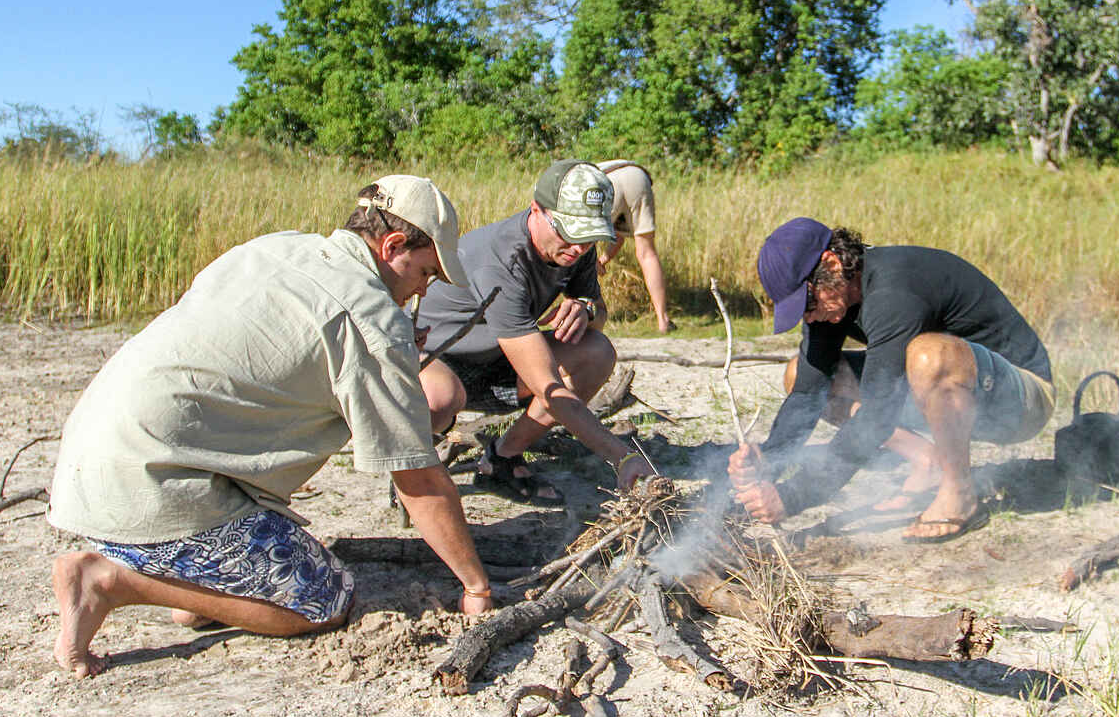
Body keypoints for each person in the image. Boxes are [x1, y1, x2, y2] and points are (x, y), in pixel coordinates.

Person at [47, 176, 494, 678]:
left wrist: (390, 349)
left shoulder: (276, 247)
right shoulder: (370, 318)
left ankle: (194, 587)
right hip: (150, 490)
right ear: (391, 246)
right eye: (426, 272)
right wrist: (476, 586)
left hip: (93, 463)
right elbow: (418, 478)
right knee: (323, 599)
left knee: (240, 576)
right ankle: (109, 581)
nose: (424, 289)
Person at [728, 218, 1054, 543]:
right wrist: (770, 460)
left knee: (929, 355)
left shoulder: (893, 292)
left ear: (832, 263)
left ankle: (959, 492)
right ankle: (928, 460)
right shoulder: (837, 295)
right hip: (949, 399)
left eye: (808, 304)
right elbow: (807, 392)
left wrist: (794, 496)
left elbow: (877, 416)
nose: (808, 316)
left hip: (1020, 401)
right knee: (799, 371)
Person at [418, 160, 654, 505]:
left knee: (597, 352)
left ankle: (502, 459)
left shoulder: (578, 249)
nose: (579, 247)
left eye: (590, 235)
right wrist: (623, 456)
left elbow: (598, 316)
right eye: (569, 231)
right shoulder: (502, 262)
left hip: (498, 355)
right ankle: (412, 465)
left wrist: (586, 310)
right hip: (438, 357)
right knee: (440, 398)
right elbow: (548, 388)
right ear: (536, 210)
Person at [596, 160, 673, 333]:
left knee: (582, 250)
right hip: (638, 177)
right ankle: (663, 320)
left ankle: (586, 314)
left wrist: (593, 261)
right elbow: (619, 237)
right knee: (647, 254)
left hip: (606, 181)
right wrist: (602, 260)